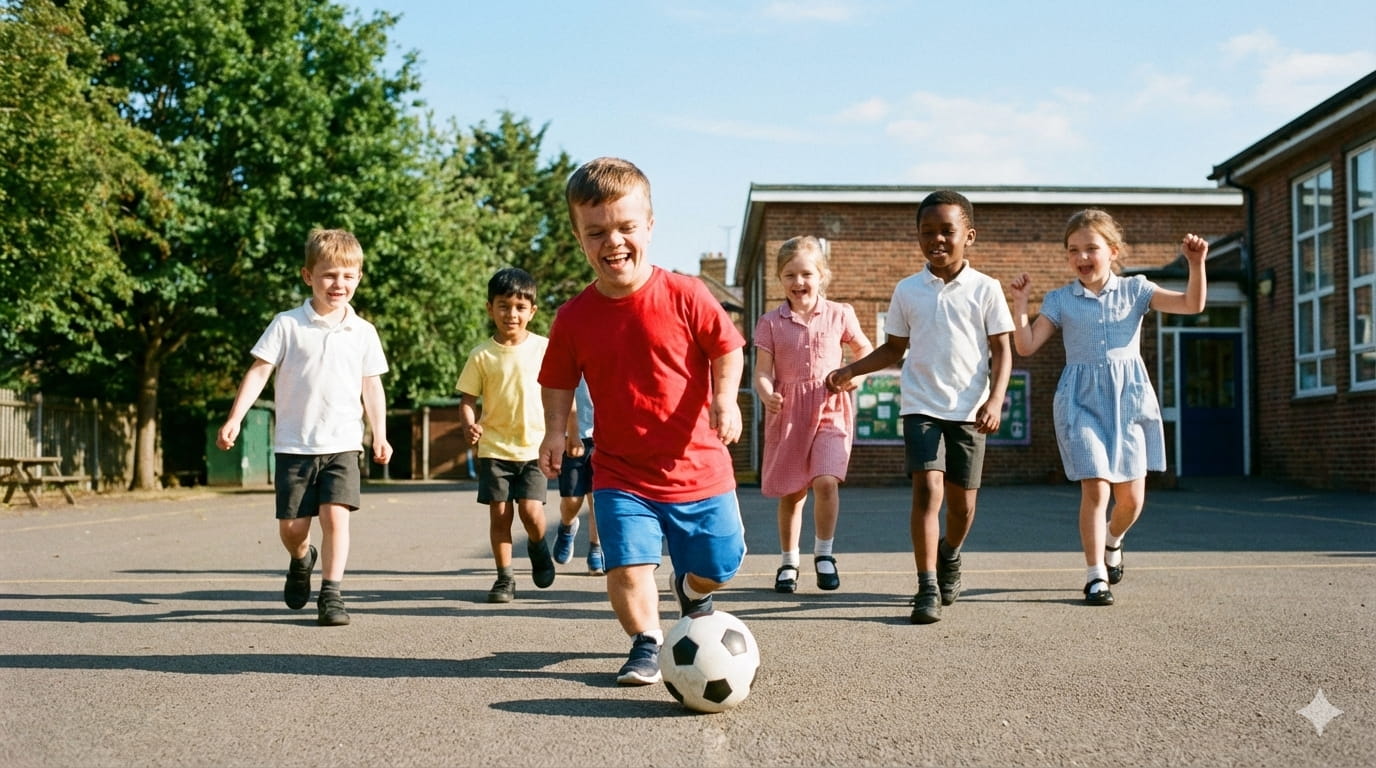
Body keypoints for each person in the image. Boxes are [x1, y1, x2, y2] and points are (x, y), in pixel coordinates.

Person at [538, 157, 747, 686]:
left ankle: (694, 593)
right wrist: (555, 430)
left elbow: (727, 349)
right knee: (627, 566)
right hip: (621, 471)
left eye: (626, 227)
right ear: (579, 237)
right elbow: (558, 380)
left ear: (649, 226)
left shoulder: (688, 293)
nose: (614, 242)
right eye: (597, 231)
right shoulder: (574, 317)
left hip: (699, 466)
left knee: (721, 563)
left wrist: (725, 399)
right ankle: (647, 643)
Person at [826, 190, 1013, 625]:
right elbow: (893, 349)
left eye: (948, 231)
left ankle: (950, 553)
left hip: (969, 411)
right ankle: (926, 585)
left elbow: (1002, 350)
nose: (938, 240)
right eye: (928, 232)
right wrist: (851, 369)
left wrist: (996, 398)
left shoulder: (986, 289)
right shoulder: (908, 290)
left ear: (969, 235)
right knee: (927, 489)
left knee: (962, 506)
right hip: (921, 406)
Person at [1009, 209, 1208, 606]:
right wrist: (1020, 305)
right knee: (1096, 486)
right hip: (1080, 402)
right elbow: (1026, 346)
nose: (1082, 257)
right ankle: (1094, 574)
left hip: (1128, 400)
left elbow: (1191, 304)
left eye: (1091, 249)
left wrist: (1196, 263)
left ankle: (1113, 541)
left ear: (1113, 251)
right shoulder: (1061, 299)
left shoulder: (1137, 290)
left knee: (1131, 500)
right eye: (1073, 250)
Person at [216, 228, 393, 627]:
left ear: (359, 278)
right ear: (307, 275)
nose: (339, 284)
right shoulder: (287, 325)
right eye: (329, 274)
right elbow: (259, 371)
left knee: (336, 517)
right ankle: (301, 560)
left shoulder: (363, 332)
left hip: (344, 442)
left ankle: (331, 594)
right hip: (295, 445)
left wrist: (379, 433)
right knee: (293, 528)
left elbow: (372, 386)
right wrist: (235, 417)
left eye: (348, 276)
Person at [753, 235, 873, 593]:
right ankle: (789, 561)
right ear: (780, 279)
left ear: (822, 275)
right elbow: (761, 370)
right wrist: (765, 393)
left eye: (806, 273)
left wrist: (855, 376)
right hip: (788, 412)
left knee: (825, 480)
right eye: (790, 275)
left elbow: (866, 351)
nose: (798, 282)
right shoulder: (771, 322)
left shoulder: (840, 313)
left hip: (830, 408)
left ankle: (824, 554)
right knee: (792, 494)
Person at [457, 267, 554, 604]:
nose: (511, 314)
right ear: (490, 308)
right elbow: (467, 400)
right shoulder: (481, 355)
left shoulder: (544, 348)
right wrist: (470, 423)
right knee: (500, 514)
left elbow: (560, 393)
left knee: (530, 511)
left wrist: (565, 435)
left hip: (533, 446)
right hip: (494, 448)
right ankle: (505, 578)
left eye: (519, 307)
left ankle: (539, 546)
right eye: (503, 306)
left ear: (532, 311)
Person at [553, 377, 604, 575]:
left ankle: (596, 548)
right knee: (572, 500)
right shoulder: (574, 350)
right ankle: (567, 526)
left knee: (597, 499)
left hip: (603, 436)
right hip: (572, 436)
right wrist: (570, 431)